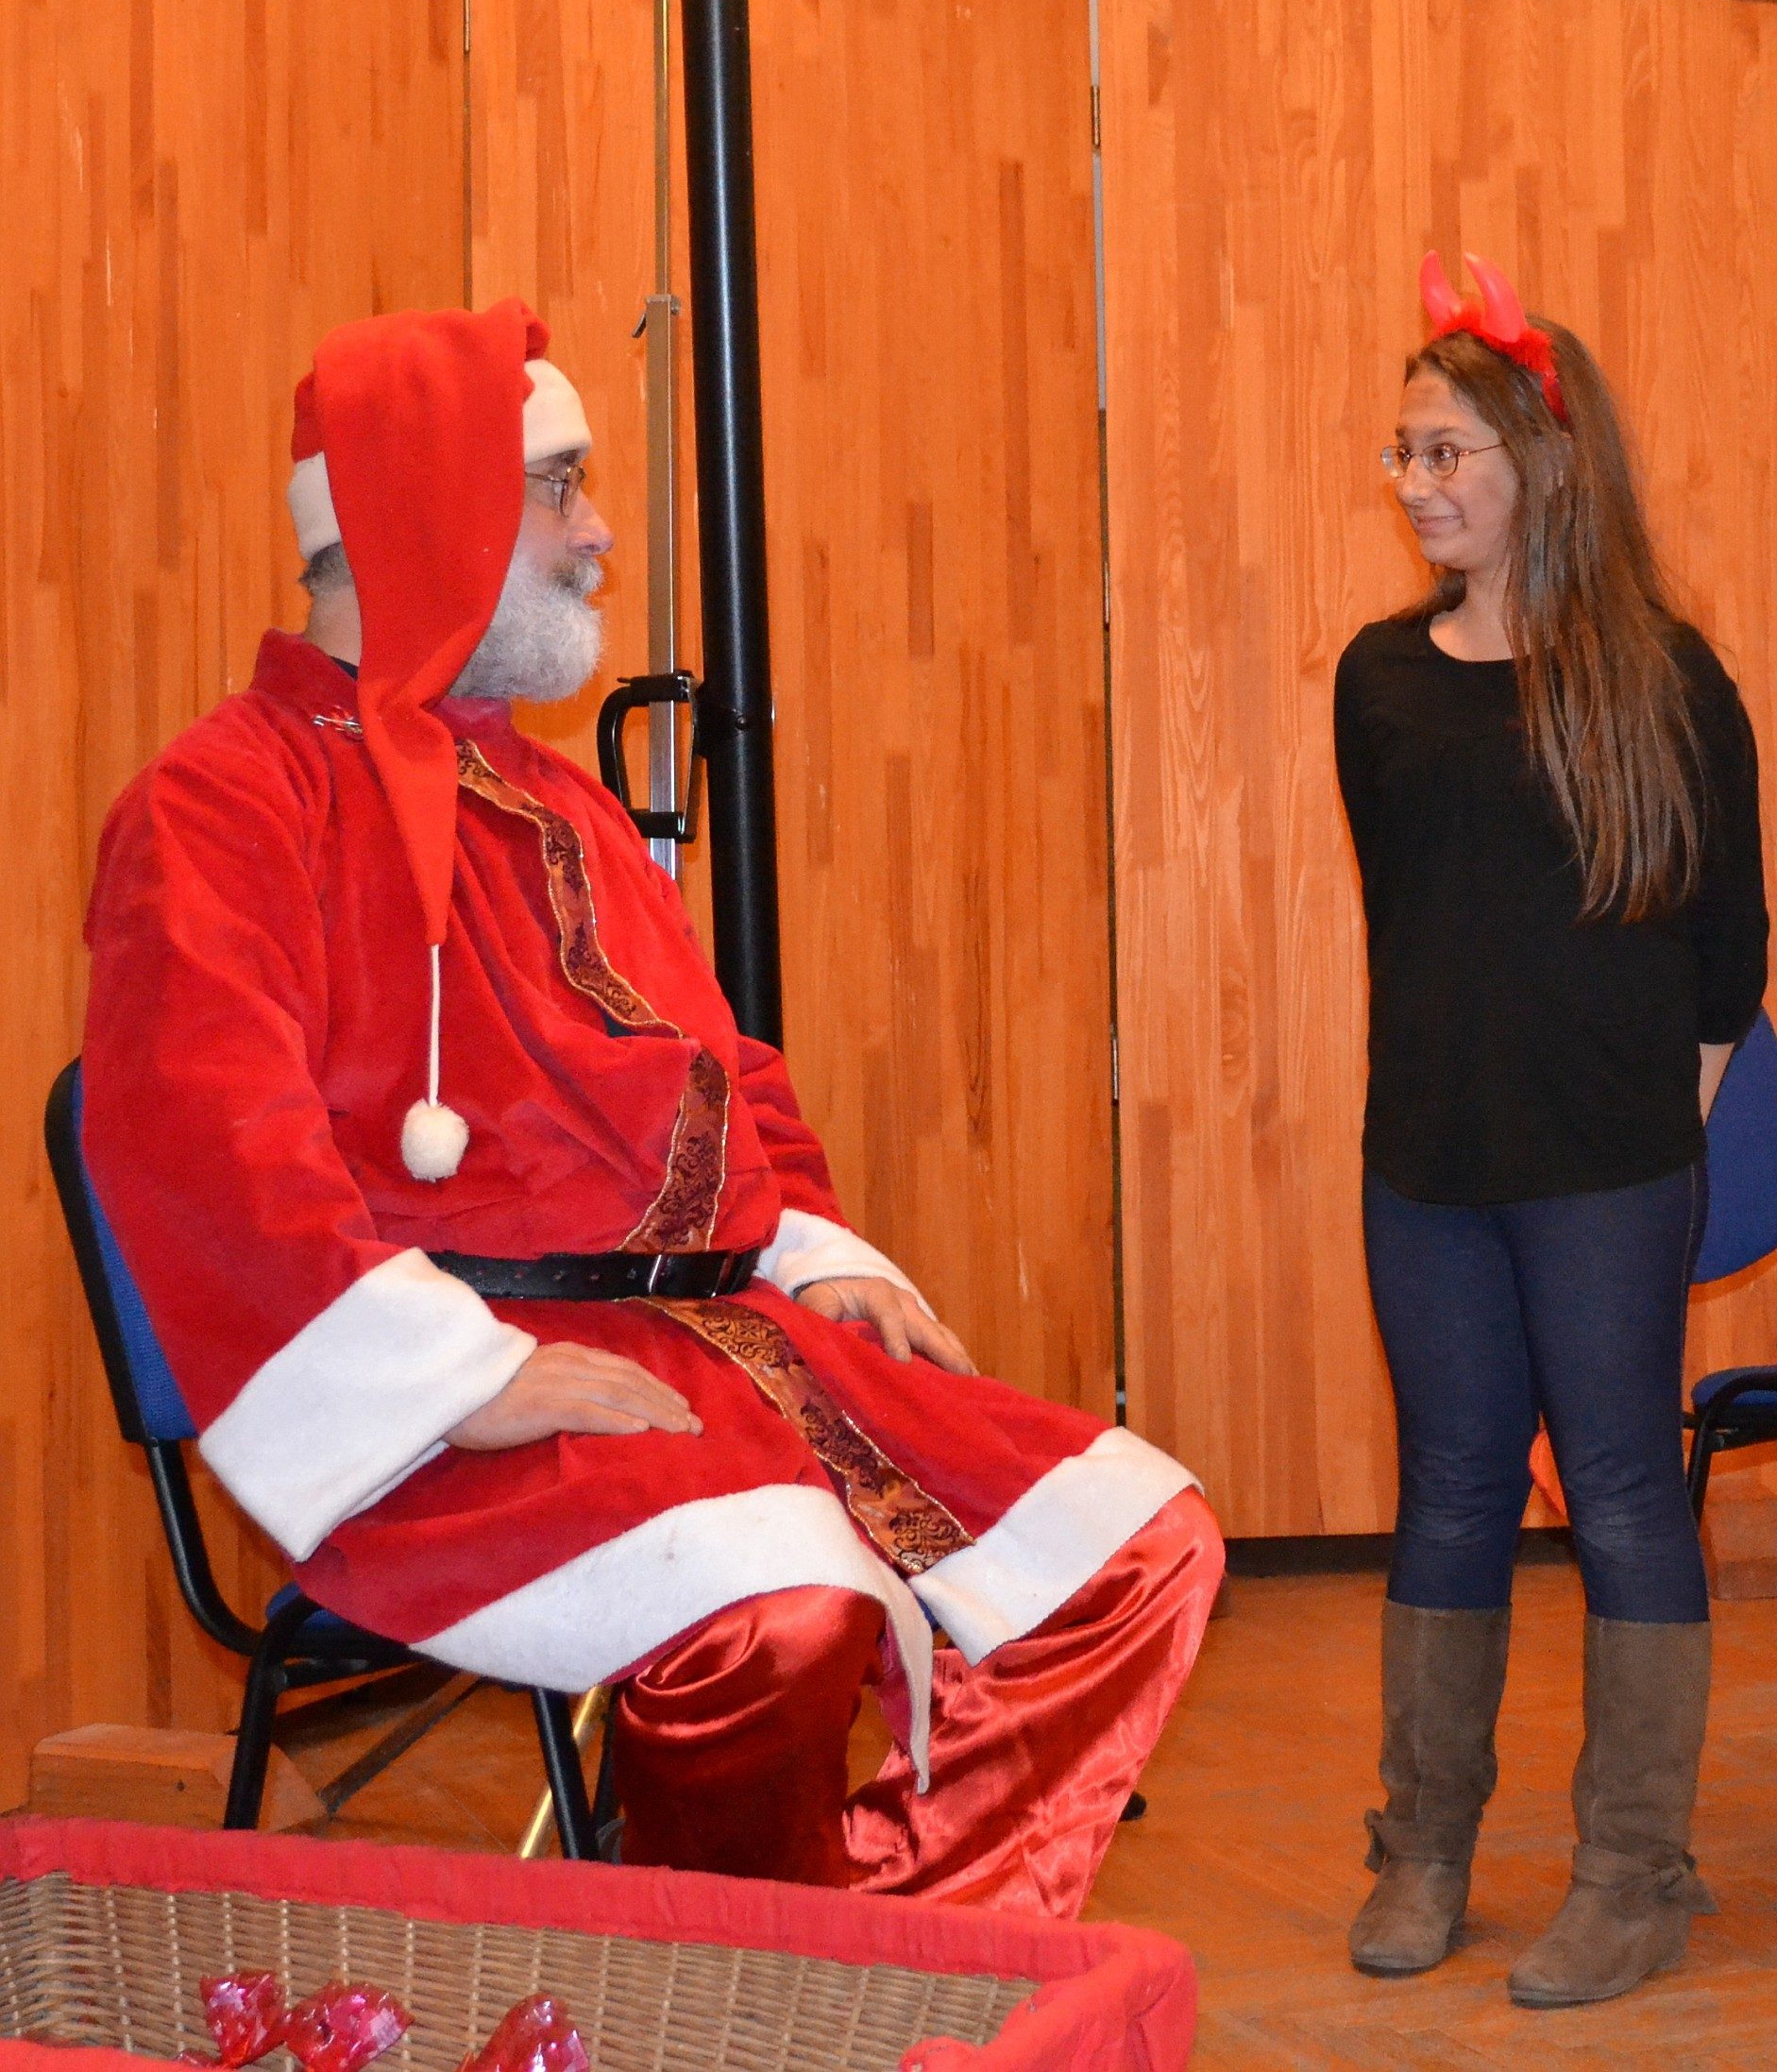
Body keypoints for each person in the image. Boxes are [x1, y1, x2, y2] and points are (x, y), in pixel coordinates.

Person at [80, 299, 1221, 1912]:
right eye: (560, 486)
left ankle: (848, 1958)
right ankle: (768, 1970)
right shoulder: (221, 801)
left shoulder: (566, 803)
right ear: (427, 508)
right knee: (782, 1621)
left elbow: (725, 1072)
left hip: (727, 1336)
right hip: (465, 1395)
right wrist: (461, 1380)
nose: (600, 531)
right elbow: (205, 1149)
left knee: (1140, 1549)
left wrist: (816, 1246)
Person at [1330, 254, 1769, 2010]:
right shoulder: (1378, 678)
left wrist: (1658, 1146)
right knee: (1448, 1489)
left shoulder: (1667, 677)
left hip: (1606, 1166)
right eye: (1403, 452)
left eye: (1445, 451)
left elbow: (1726, 954)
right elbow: (1414, 916)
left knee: (1623, 1491)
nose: (1416, 482)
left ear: (1543, 462)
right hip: (1428, 1165)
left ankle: (1634, 1874)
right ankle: (1424, 1851)